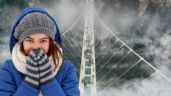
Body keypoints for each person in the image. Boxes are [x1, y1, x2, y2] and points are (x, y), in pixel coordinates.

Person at [0, 7, 80, 96]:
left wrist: (48, 81)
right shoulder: (9, 69)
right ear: (21, 42)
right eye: (29, 40)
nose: (36, 47)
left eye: (43, 41)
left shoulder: (66, 69)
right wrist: (30, 84)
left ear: (51, 42)